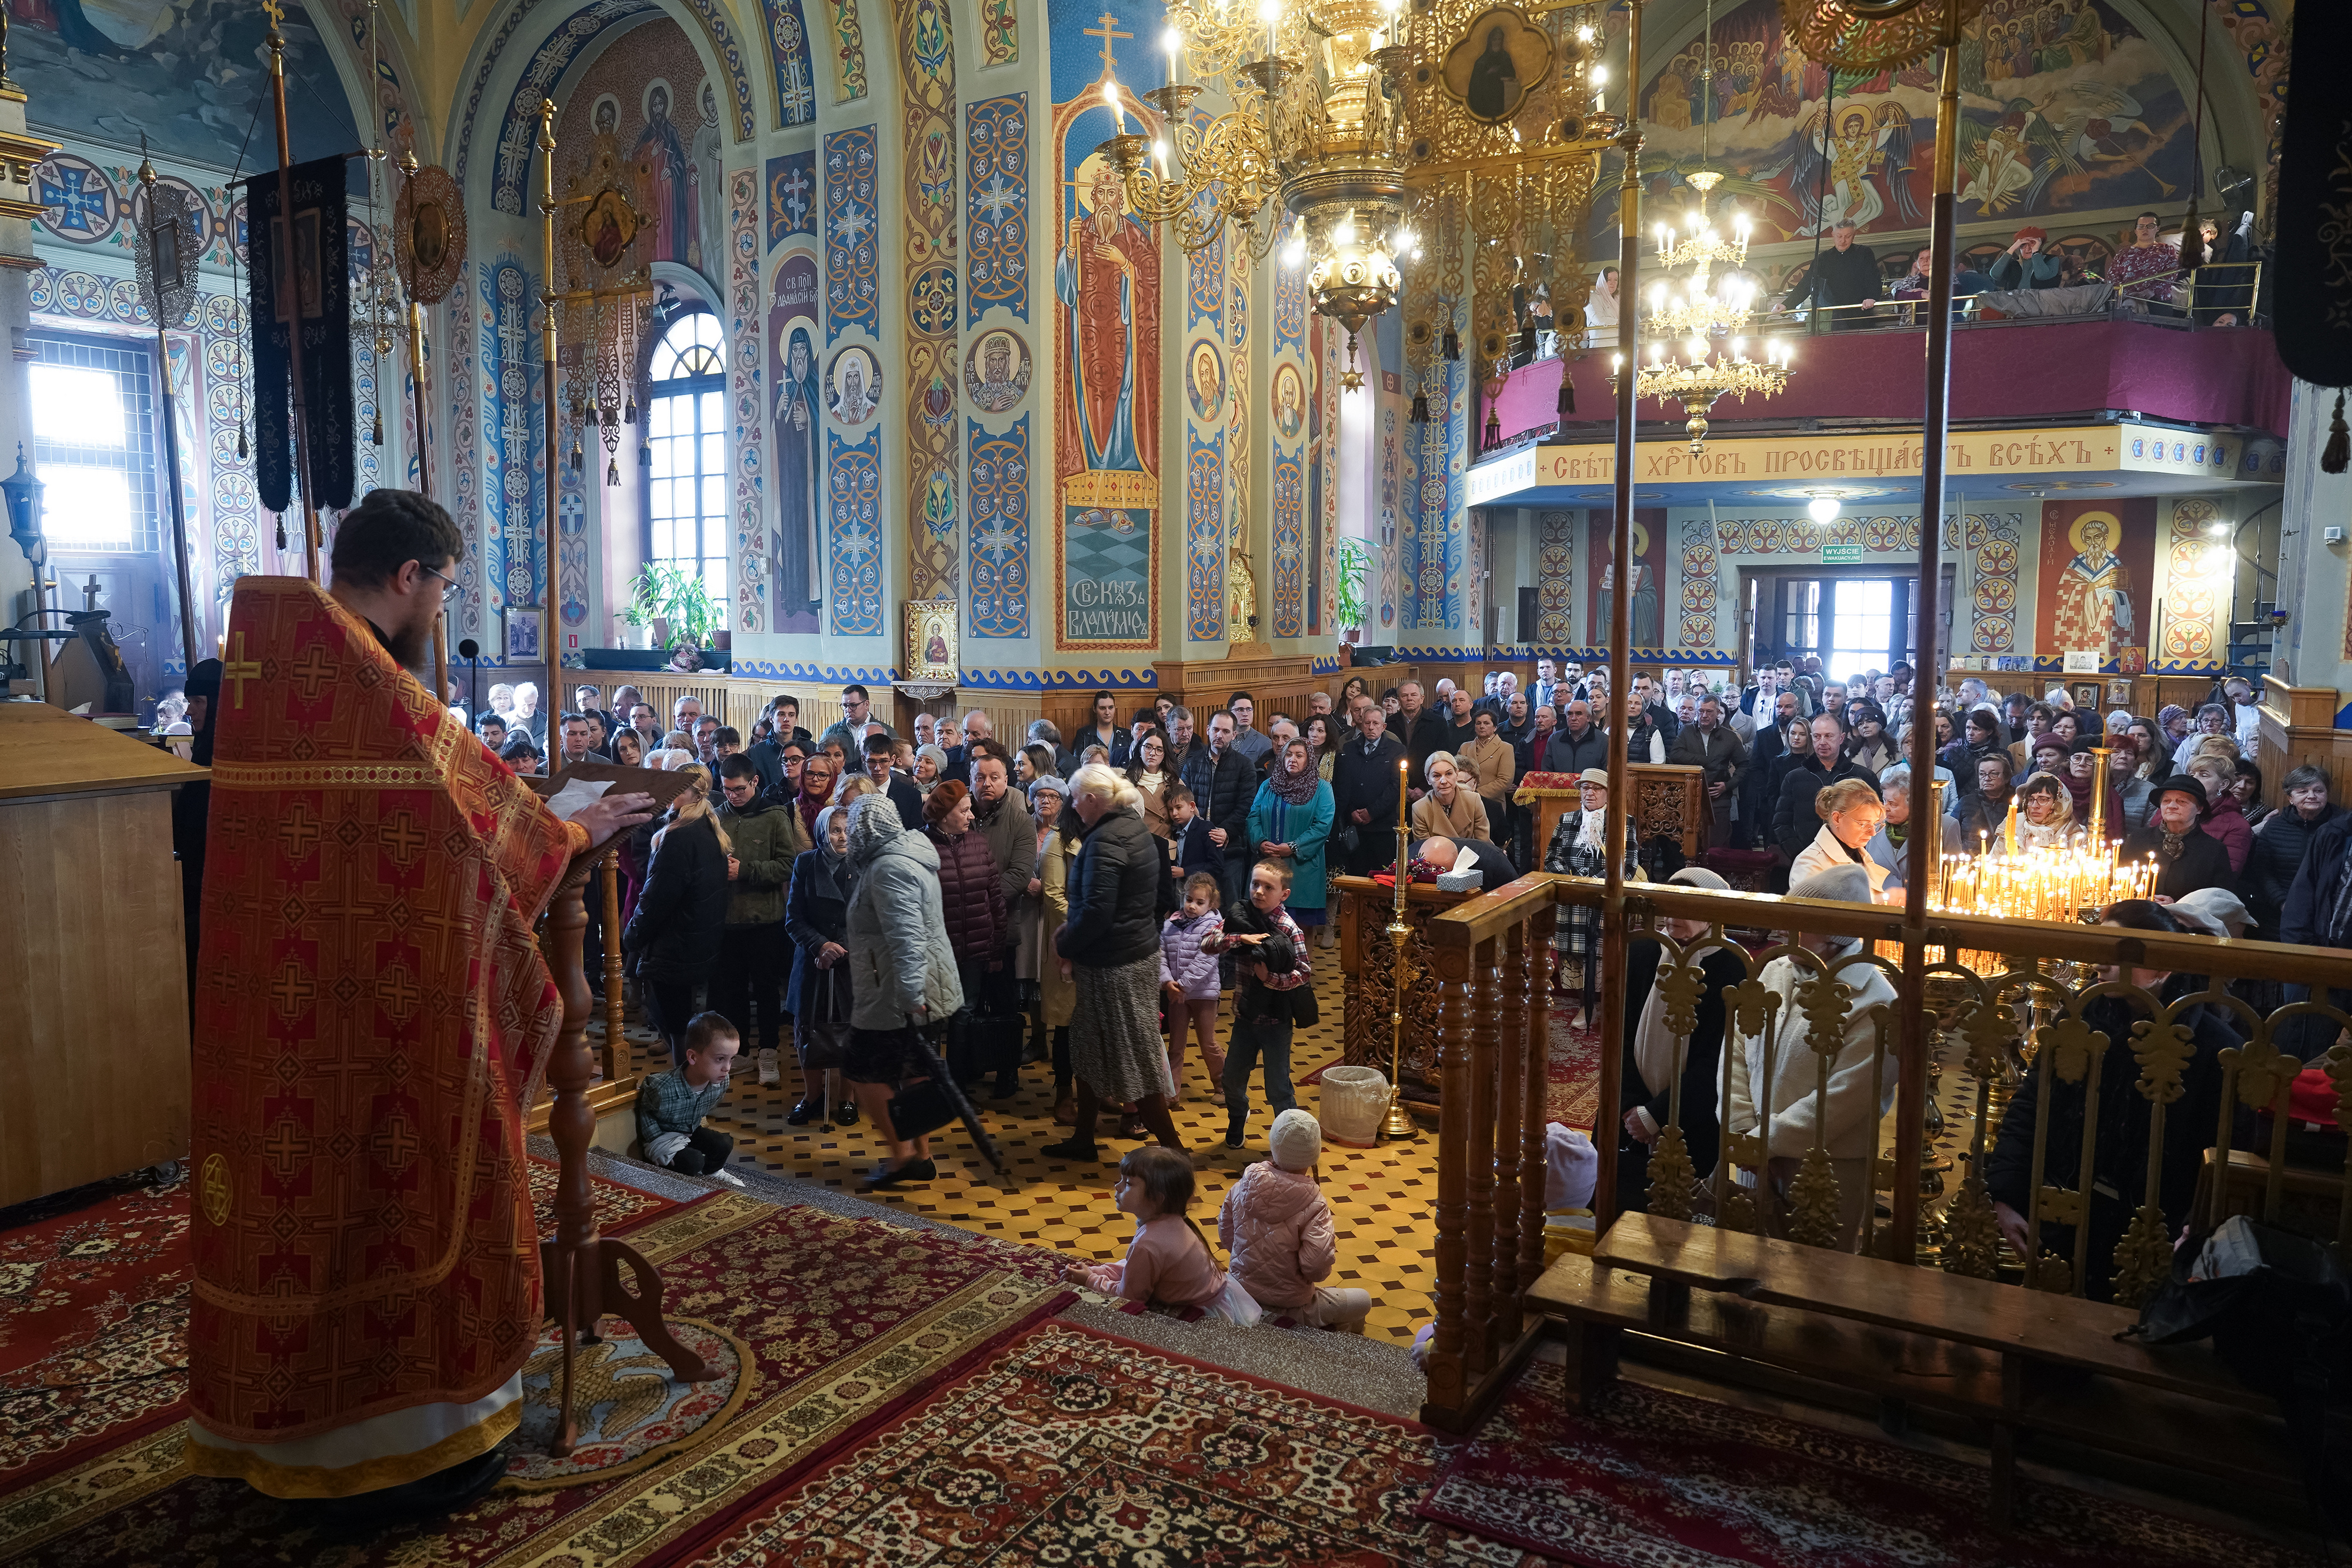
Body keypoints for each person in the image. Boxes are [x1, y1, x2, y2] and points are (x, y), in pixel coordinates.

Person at [186, 489, 660, 1510]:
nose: (442, 607)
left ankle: (276, 1429)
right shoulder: (368, 680)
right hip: (390, 1006)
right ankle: (416, 1443)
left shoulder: (270, 663)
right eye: (442, 586)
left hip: (276, 1001)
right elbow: (489, 825)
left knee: (301, 1191)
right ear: (409, 577)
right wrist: (575, 828)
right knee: (402, 1180)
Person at [1986, 901, 2241, 1302]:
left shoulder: (2216, 1048)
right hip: (2064, 1215)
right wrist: (2006, 1193)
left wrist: (2196, 1231)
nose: (2101, 961)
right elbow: (2033, 1104)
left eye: (2119, 952)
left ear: (2162, 965)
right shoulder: (2081, 1016)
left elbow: (2223, 1156)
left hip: (2155, 1236)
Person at [1724, 861, 1898, 1249]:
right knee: (1743, 1265)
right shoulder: (1775, 970)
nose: (1785, 929)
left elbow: (1845, 1097)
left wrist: (1767, 1141)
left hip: (1826, 1167)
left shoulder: (1876, 999)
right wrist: (1741, 1131)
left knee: (1814, 1280)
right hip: (1751, 1151)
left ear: (1834, 936)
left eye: (1800, 921)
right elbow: (1735, 1046)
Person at [1043, 765, 1187, 1161]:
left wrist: (1065, 942)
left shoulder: (1107, 838)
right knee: (1088, 1048)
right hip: (1126, 955)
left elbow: (1097, 912)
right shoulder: (1131, 826)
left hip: (1115, 966)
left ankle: (1175, 1152)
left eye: (1075, 797)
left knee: (1136, 1060)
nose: (1072, 804)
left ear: (1092, 799)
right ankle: (1084, 1137)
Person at [841, 794, 963, 1189]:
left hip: (894, 993)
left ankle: (901, 1155)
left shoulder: (889, 867)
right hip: (907, 988)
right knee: (913, 1071)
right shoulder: (904, 856)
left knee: (861, 1070)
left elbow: (907, 937)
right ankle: (919, 1156)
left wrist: (911, 995)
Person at [1618, 867, 1746, 1215]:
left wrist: (1657, 1113)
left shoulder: (1733, 966)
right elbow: (1619, 1036)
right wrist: (1633, 1108)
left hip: (1693, 1118)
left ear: (1712, 917)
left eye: (1688, 909)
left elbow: (1719, 1060)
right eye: (1669, 906)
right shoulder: (1643, 950)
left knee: (1679, 1221)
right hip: (1627, 1112)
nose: (1674, 917)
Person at [1219, 1109, 1374, 1331]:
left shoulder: (1242, 1186)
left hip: (1239, 1298)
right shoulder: (1315, 1203)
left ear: (1273, 1145)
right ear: (1315, 1154)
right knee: (1363, 1301)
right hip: (1293, 1307)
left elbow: (1227, 1237)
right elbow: (1316, 1269)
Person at [624, 764, 734, 1066]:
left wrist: (633, 934)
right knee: (681, 1022)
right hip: (697, 940)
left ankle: (688, 1092)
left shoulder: (679, 836)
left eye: (674, 787)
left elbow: (658, 897)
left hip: (674, 945)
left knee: (674, 1024)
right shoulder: (708, 827)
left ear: (689, 793)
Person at [1201, 859, 1314, 1151]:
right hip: (1244, 1016)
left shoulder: (1290, 929)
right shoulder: (1241, 915)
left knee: (1278, 1087)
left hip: (1276, 1021)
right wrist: (1240, 938)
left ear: (1284, 894)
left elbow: (1303, 973)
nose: (1259, 892)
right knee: (1232, 1079)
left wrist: (1271, 978)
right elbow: (1207, 941)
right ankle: (1238, 1116)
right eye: (1255, 884)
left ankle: (1289, 1143)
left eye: (1268, 887)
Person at [1063, 1146, 1250, 1320]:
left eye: (1128, 1183)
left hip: (1200, 1314)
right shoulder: (1173, 1219)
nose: (1117, 1186)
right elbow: (1136, 1269)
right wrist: (1100, 1271)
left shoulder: (1147, 1243)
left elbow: (1129, 1297)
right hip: (1218, 1296)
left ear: (1157, 1199)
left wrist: (1090, 1279)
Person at [712, 755, 796, 1088]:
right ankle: (742, 1051)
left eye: (740, 789)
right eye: (727, 790)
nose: (733, 796)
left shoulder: (775, 816)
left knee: (765, 990)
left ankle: (768, 1052)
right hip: (728, 921)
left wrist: (745, 871)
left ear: (755, 782)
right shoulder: (716, 818)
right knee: (731, 992)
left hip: (765, 919)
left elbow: (789, 865)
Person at [923, 780, 1011, 1095]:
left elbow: (995, 900)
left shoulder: (978, 843)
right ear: (944, 814)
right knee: (931, 1019)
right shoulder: (920, 847)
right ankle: (930, 1086)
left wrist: (996, 949)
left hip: (974, 950)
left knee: (964, 1015)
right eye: (964, 810)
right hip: (934, 953)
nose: (971, 815)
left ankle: (957, 1087)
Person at [781, 804, 858, 1126]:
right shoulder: (806, 862)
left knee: (850, 1033)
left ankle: (847, 1099)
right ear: (823, 832)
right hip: (813, 962)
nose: (842, 837)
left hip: (852, 964)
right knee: (807, 1033)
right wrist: (820, 945)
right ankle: (812, 1097)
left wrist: (843, 947)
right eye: (835, 830)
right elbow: (793, 918)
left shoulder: (866, 864)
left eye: (847, 830)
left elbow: (874, 919)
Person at [1545, 768, 1639, 1022]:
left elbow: (1629, 865)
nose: (1590, 793)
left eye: (1596, 788)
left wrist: (1600, 885)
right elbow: (1551, 859)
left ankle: (1599, 1005)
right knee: (1575, 954)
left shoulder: (1623, 821)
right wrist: (1571, 881)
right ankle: (1584, 1005)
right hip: (1573, 899)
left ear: (1608, 794)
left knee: (1599, 954)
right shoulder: (1567, 820)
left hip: (1603, 899)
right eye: (1585, 787)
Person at [632, 1012, 746, 1186]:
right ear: (693, 1057)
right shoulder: (661, 1087)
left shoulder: (721, 1083)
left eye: (732, 1059)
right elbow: (647, 1113)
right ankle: (667, 1172)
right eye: (720, 1059)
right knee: (694, 1161)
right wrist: (657, 1145)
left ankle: (714, 1172)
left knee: (723, 1143)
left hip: (689, 1130)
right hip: (663, 1136)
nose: (727, 1068)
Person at [1250, 735, 1336, 950]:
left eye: (1299, 755)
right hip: (1268, 864)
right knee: (1265, 925)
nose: (1293, 759)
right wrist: (1261, 841)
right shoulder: (1268, 786)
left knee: (1301, 927)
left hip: (1302, 868)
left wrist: (1293, 847)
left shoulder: (1322, 788)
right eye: (1288, 754)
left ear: (1309, 759)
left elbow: (1322, 826)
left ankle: (1301, 974)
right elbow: (1253, 817)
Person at [2246, 767, 2343, 940]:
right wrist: (2283, 902)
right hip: (2278, 913)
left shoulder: (2342, 827)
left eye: (2318, 790)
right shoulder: (2275, 827)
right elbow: (2263, 872)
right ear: (2291, 798)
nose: (2312, 796)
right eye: (2303, 791)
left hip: (2329, 916)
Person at [1773, 713, 1879, 864]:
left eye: (1829, 736)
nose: (1822, 742)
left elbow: (1874, 823)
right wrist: (1800, 855)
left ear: (1841, 738)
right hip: (1807, 860)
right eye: (1817, 736)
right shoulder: (1794, 777)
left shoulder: (1863, 777)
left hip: (1852, 862)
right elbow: (1781, 823)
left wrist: (1857, 857)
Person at [1161, 871, 1228, 1107]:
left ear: (1211, 904)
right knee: (1175, 1046)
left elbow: (1206, 959)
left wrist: (1184, 985)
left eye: (1200, 903)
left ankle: (1225, 1086)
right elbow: (1161, 956)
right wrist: (1168, 982)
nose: (1192, 906)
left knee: (1208, 1043)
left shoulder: (1214, 927)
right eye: (1189, 899)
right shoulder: (1170, 924)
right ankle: (1171, 1093)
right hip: (1176, 994)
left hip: (1203, 995)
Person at [2120, 776, 2235, 899]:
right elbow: (2118, 883)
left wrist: (2178, 907)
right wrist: (2142, 900)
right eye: (2166, 801)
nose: (2172, 806)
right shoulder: (2138, 839)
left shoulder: (2213, 850)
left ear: (2199, 809)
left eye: (2182, 802)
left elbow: (2221, 900)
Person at [1331, 704, 1409, 875]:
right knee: (1356, 875)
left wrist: (1371, 812)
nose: (1371, 727)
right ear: (1361, 725)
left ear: (1384, 727)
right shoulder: (1350, 749)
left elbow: (1396, 787)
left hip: (1382, 826)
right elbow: (1343, 785)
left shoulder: (1397, 751)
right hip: (1355, 826)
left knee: (1382, 875)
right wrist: (1351, 811)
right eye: (1367, 723)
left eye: (1375, 723)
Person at [1789, 776, 1891, 898]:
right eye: (1863, 824)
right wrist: (1880, 902)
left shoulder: (1860, 854)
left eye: (1875, 824)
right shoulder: (1811, 862)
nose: (1872, 833)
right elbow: (1811, 913)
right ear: (1837, 818)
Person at [1668, 694, 1745, 848]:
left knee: (1716, 846)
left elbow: (1744, 766)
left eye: (1709, 712)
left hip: (1718, 799)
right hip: (1688, 798)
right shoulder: (1687, 732)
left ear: (1718, 712)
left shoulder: (1730, 737)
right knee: (1688, 847)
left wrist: (1728, 786)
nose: (1704, 715)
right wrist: (1706, 760)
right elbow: (1675, 755)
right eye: (1701, 711)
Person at [1867, 766, 1960, 890]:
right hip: (1880, 904)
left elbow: (1955, 877)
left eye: (1893, 804)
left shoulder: (1944, 826)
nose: (1885, 808)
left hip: (1922, 906)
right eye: (1884, 801)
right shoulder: (1875, 824)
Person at [2184, 755, 2253, 877]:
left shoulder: (2237, 825)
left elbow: (2228, 873)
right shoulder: (2171, 807)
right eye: (2192, 775)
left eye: (2204, 775)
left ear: (2223, 785)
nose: (2194, 779)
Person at [1808, 220, 1881, 329]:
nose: (1843, 241)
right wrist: (1786, 304)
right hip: (1833, 316)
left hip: (1861, 313)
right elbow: (1807, 283)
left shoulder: (1864, 253)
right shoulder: (1824, 259)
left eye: (1848, 236)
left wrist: (1872, 297)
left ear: (1854, 236)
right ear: (1833, 235)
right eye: (1839, 236)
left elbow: (1874, 278)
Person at [1411, 750, 1491, 841]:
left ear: (1456, 774)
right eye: (1437, 776)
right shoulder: (1420, 809)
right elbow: (1424, 851)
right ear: (1428, 779)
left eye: (1449, 774)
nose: (1444, 781)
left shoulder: (1473, 801)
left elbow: (1484, 844)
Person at [820, 682, 894, 757]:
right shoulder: (831, 732)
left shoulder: (886, 731)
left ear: (866, 704)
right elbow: (821, 759)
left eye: (853, 705)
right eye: (845, 706)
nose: (848, 710)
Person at [1125, 728, 1175, 839]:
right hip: (1136, 847)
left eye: (1159, 749)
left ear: (1165, 754)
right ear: (1140, 749)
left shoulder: (1173, 782)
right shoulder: (1126, 782)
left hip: (1166, 849)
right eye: (1148, 747)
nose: (1153, 753)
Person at [2012, 770, 2076, 852]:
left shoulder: (2072, 833)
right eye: (2030, 800)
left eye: (2043, 800)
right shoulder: (2013, 823)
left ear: (2059, 802)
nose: (2034, 806)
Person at [1987, 225, 2064, 290]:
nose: (2028, 249)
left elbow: (2042, 275)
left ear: (2039, 245)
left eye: (2032, 244)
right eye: (2023, 245)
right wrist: (2013, 248)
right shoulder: (2014, 264)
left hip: (2042, 305)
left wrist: (2035, 252)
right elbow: (1995, 274)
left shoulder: (2051, 260)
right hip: (2014, 304)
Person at [1544, 698, 1608, 775]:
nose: (1573, 718)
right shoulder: (1555, 739)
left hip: (1590, 786)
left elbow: (1606, 773)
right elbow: (1547, 771)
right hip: (1559, 786)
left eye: (1579, 714)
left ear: (1589, 718)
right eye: (1570, 714)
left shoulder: (1603, 741)